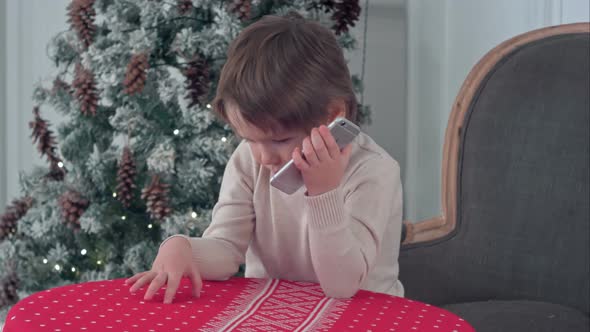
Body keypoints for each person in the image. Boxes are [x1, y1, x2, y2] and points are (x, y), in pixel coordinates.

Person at [125, 11, 404, 304]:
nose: (263, 156)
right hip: (274, 312)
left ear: (333, 115)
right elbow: (227, 248)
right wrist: (182, 248)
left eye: (280, 140)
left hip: (365, 317)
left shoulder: (374, 172)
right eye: (249, 139)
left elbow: (342, 286)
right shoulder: (249, 159)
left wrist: (324, 192)